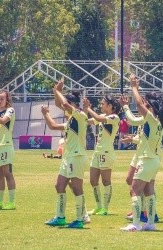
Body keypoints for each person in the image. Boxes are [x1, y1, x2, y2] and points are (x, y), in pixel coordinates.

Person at [119, 74, 163, 232]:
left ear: (151, 109)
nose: (144, 107)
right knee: (148, 191)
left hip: (147, 160)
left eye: (147, 105)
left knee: (134, 189)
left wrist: (134, 87)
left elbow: (139, 104)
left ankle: (135, 224)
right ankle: (150, 223)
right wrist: (126, 106)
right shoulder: (155, 122)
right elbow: (133, 119)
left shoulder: (152, 119)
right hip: (152, 160)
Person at [42, 79, 88, 229]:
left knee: (76, 187)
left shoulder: (80, 115)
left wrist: (57, 91)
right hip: (68, 157)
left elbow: (65, 105)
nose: (63, 108)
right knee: (59, 185)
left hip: (77, 156)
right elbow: (53, 125)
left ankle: (80, 219)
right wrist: (45, 114)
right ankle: (60, 217)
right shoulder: (69, 122)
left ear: (74, 105)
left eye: (67, 104)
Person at [83, 95, 121, 216]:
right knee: (93, 180)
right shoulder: (103, 117)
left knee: (106, 181)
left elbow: (97, 118)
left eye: (103, 103)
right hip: (97, 152)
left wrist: (88, 108)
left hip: (106, 152)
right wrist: (80, 113)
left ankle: (105, 208)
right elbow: (88, 121)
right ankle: (98, 207)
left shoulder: (114, 117)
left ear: (111, 106)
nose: (101, 105)